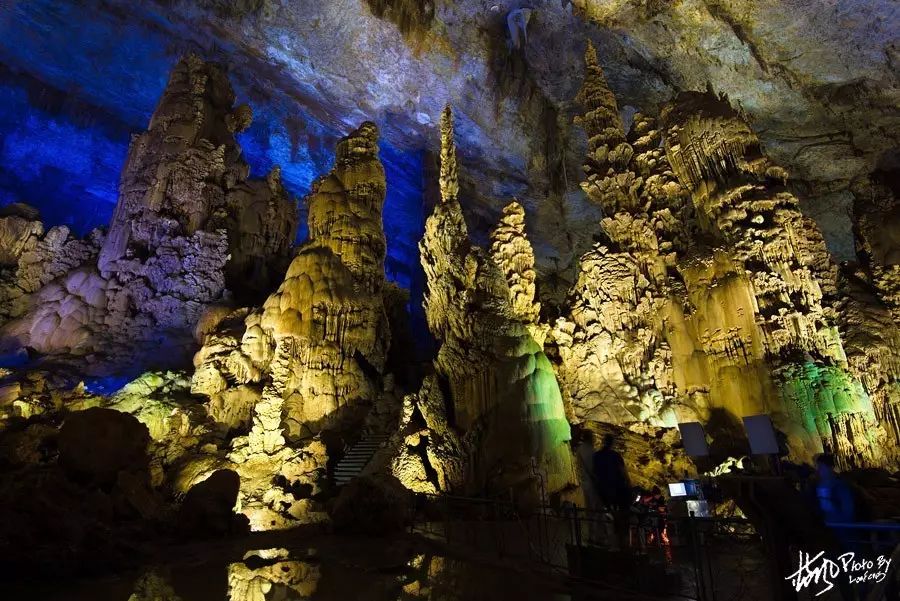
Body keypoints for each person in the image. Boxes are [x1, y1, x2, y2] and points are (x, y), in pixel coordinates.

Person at [593, 433, 632, 550]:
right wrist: (629, 485)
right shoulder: (615, 456)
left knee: (610, 516)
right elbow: (623, 471)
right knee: (622, 517)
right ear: (612, 444)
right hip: (617, 490)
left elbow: (595, 473)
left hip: (603, 491)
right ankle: (623, 544)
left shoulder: (596, 456)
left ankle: (610, 541)